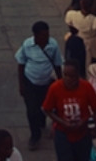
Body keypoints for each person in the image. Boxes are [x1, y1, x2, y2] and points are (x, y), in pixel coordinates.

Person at [15, 20, 62, 150]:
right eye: (43, 35)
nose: (46, 38)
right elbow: (21, 64)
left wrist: (60, 82)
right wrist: (21, 85)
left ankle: (41, 123)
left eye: (47, 35)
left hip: (47, 83)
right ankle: (35, 135)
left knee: (45, 107)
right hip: (30, 82)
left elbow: (58, 64)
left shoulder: (53, 45)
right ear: (35, 36)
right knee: (31, 110)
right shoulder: (27, 45)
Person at [42, 59, 96, 161]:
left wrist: (95, 127)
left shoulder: (86, 87)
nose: (68, 79)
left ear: (78, 76)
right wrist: (62, 122)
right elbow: (47, 109)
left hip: (83, 134)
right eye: (65, 75)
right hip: (63, 134)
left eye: (72, 76)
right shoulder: (55, 88)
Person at [64, 0, 96, 70]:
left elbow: (68, 23)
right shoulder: (95, 20)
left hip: (76, 40)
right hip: (90, 42)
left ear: (80, 4)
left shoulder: (72, 14)